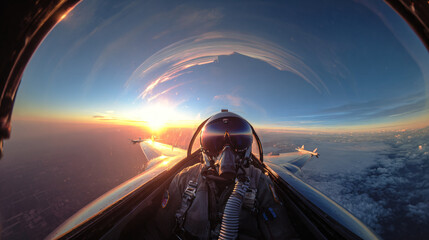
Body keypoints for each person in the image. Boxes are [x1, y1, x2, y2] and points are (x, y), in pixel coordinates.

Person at [155, 111, 296, 239]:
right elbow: (158, 231)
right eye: (214, 142)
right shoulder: (184, 179)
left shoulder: (259, 182)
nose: (226, 150)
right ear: (204, 148)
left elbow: (282, 234)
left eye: (238, 140)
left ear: (247, 148)